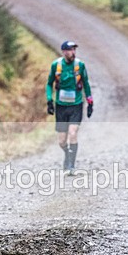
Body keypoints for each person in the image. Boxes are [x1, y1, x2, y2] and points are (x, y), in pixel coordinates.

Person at [45, 40, 93, 174]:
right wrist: (49, 100)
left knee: (73, 133)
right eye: (70, 50)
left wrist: (90, 102)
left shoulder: (80, 65)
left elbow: (86, 83)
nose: (73, 52)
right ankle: (67, 154)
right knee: (61, 141)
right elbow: (49, 84)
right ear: (64, 52)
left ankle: (71, 164)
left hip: (76, 105)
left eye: (74, 50)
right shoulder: (56, 65)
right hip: (61, 106)